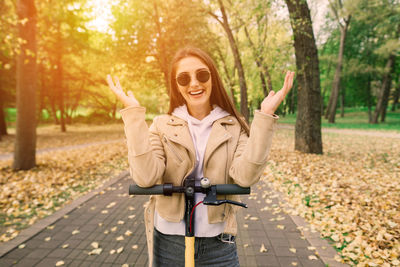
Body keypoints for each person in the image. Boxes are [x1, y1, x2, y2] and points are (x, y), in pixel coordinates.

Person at [107, 46, 294, 267]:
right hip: (168, 243)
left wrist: (264, 117)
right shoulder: (161, 125)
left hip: (219, 244)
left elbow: (246, 177)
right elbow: (145, 178)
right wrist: (133, 117)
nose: (194, 83)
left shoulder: (234, 126)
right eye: (184, 79)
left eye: (202, 75)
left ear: (212, 78)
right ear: (176, 86)